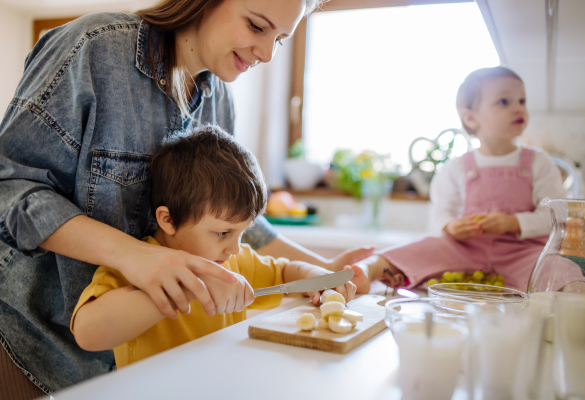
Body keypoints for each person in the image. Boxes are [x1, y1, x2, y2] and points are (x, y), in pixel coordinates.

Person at [0, 0, 372, 395]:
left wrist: (322, 269)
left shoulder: (219, 99)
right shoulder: (93, 48)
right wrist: (135, 256)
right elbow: (9, 187)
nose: (266, 54)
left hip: (132, 374)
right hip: (32, 344)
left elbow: (231, 217)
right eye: (257, 26)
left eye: (280, 39)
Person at [70, 126, 356, 368]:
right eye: (222, 232)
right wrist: (193, 287)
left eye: (243, 232)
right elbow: (87, 332)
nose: (234, 247)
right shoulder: (138, 268)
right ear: (168, 220)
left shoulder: (231, 260)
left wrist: (316, 278)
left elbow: (284, 273)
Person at [343, 66, 566, 293]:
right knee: (420, 247)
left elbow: (556, 216)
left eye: (522, 101)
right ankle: (369, 269)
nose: (519, 108)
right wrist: (450, 226)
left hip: (522, 255)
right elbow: (440, 214)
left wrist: (513, 223)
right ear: (470, 117)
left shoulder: (539, 162)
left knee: (558, 267)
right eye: (504, 102)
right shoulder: (456, 168)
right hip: (465, 251)